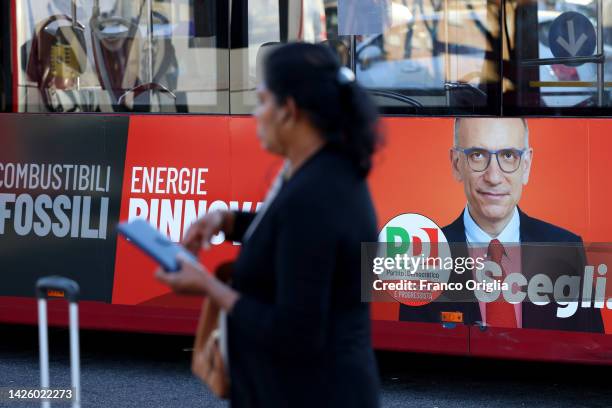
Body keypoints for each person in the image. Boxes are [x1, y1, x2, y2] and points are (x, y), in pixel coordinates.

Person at [155, 42, 382, 407]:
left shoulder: (315, 194)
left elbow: (296, 334)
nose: (255, 114)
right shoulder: (322, 170)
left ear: (289, 110)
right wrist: (226, 220)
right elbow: (289, 235)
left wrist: (208, 287)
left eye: (262, 101)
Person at [399, 117, 603, 333]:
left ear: (526, 165)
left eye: (508, 156)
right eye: (477, 155)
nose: (494, 177)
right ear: (456, 164)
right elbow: (414, 360)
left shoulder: (566, 249)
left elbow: (589, 354)